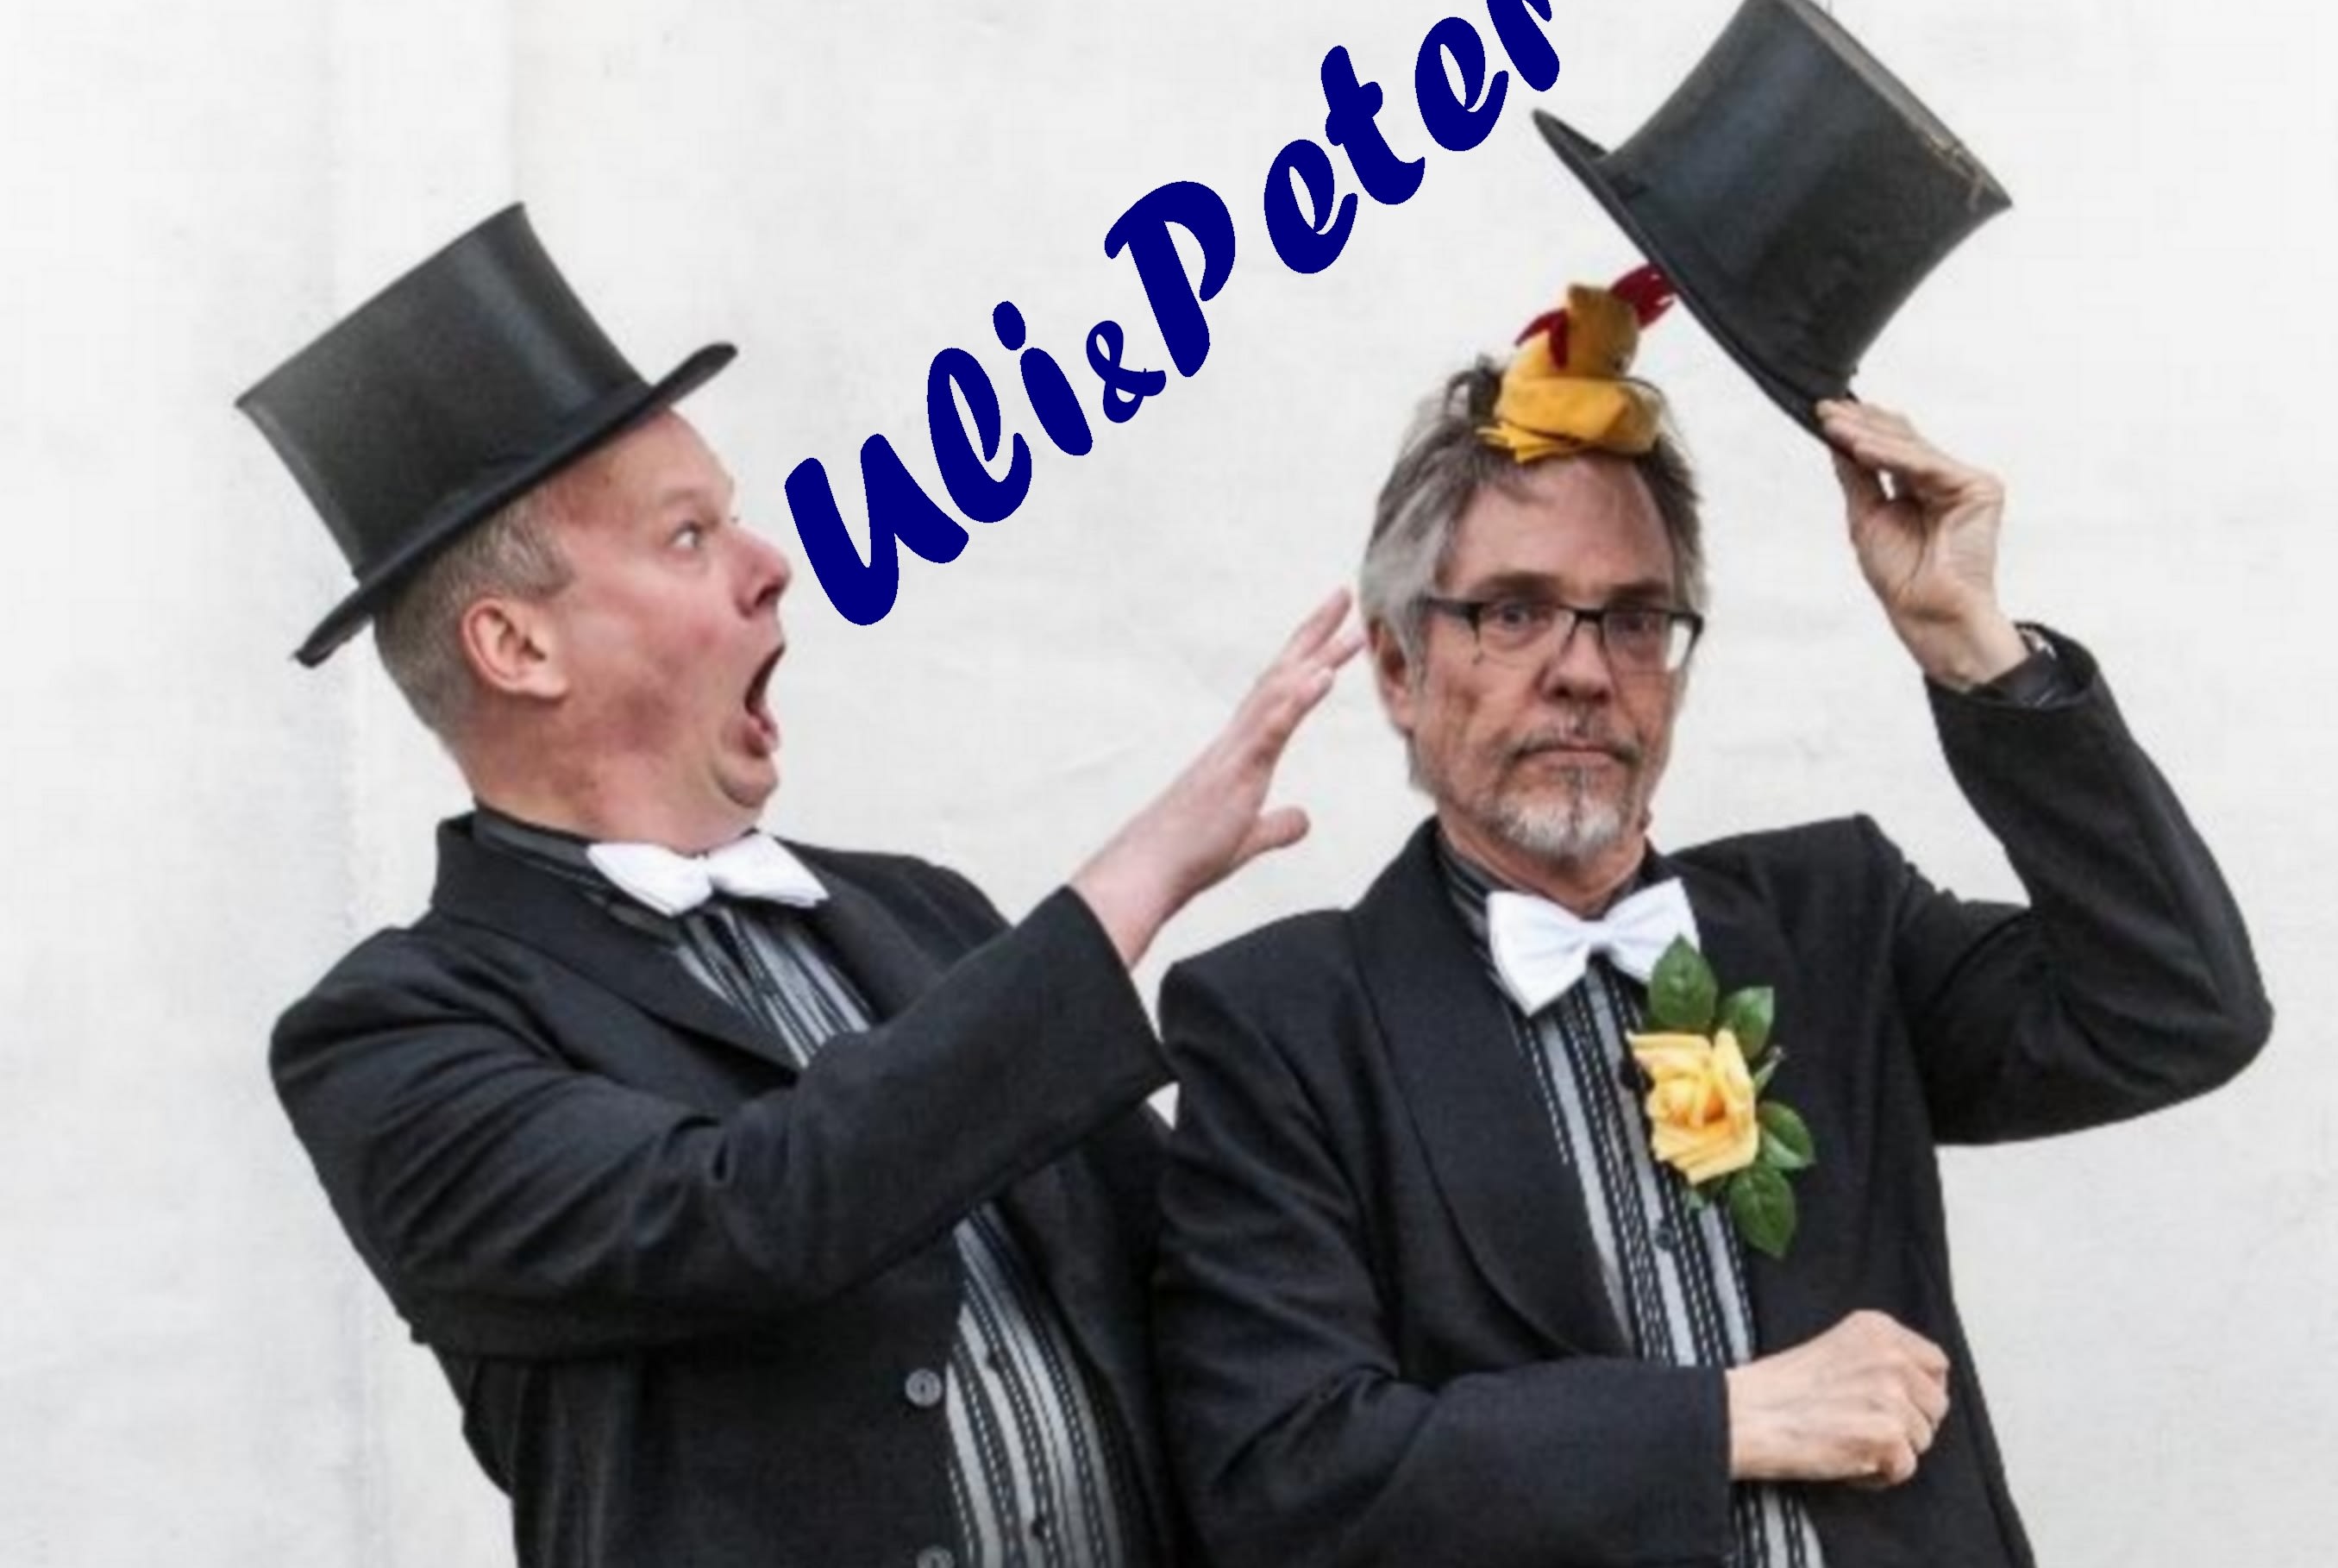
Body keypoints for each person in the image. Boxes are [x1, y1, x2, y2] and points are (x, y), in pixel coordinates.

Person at [239, 205, 1358, 1568]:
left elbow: (1199, 1273)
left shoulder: (925, 916)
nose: (771, 565)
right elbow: (742, 1216)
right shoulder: (392, 1038)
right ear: (519, 647)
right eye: (688, 537)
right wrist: (1135, 881)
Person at [1149, 282, 2270, 1567]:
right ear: (1402, 669)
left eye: (1635, 619)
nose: (1584, 670)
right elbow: (1288, 1482)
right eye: (1514, 612)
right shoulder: (1284, 1024)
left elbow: (2181, 1010)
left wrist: (1974, 648)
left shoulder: (1836, 923)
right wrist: (1723, 1423)